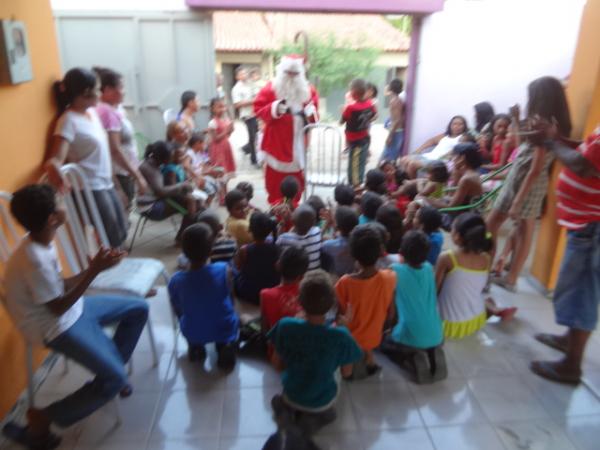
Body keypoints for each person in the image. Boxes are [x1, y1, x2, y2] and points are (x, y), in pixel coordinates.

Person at [2, 184, 148, 448]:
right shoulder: (33, 258)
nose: (64, 203)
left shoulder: (41, 239)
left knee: (138, 308)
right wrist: (94, 271)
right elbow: (56, 308)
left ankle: (111, 368)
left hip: (72, 311)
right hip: (55, 327)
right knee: (114, 379)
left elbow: (60, 287)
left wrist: (95, 268)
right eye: (60, 202)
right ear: (52, 219)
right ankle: (42, 419)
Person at [487, 76, 572, 292]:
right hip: (520, 177)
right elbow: (523, 144)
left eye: (532, 96)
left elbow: (535, 168)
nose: (528, 100)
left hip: (528, 182)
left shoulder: (548, 125)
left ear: (541, 98)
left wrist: (517, 201)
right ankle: (502, 275)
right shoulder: (544, 122)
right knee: (512, 228)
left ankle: (503, 275)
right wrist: (516, 120)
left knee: (512, 228)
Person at [529, 124, 600, 385]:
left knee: (582, 294)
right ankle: (569, 340)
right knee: (575, 289)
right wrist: (561, 139)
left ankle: (571, 366)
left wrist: (551, 143)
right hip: (585, 223)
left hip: (593, 226)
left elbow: (584, 165)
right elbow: (588, 148)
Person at [268, 270, 363, 435]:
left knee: (285, 394)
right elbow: (347, 373)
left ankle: (286, 410)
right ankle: (317, 418)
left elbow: (276, 365)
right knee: (336, 370)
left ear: (299, 301)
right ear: (332, 305)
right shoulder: (340, 336)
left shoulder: (285, 326)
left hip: (291, 394)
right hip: (322, 401)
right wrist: (344, 329)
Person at [45, 67, 128, 248]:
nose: (100, 93)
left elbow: (103, 153)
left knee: (121, 231)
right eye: (98, 89)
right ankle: (108, 270)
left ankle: (112, 265)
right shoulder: (68, 120)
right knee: (112, 236)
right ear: (85, 92)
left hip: (105, 183)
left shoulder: (91, 114)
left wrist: (116, 185)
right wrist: (54, 168)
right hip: (89, 188)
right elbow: (55, 158)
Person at [436, 213, 517, 339]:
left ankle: (493, 308)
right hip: (475, 320)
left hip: (448, 325)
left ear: (457, 236)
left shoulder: (447, 257)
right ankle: (494, 309)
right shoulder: (486, 258)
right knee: (479, 297)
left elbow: (434, 290)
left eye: (452, 228)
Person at [168, 223, 238, 368]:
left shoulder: (175, 280)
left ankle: (196, 347)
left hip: (193, 329)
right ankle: (224, 346)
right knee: (231, 320)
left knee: (189, 323)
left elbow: (177, 309)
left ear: (183, 252)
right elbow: (231, 298)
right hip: (223, 326)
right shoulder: (224, 270)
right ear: (211, 250)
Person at [380, 230, 446, 384]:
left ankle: (411, 358)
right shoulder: (429, 268)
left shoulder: (394, 270)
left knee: (382, 343)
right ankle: (431, 351)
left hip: (409, 334)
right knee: (423, 334)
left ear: (401, 252)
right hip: (438, 334)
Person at [253, 55, 319, 205]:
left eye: (294, 74)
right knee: (275, 182)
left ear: (300, 74)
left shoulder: (308, 91)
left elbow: (315, 119)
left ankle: (294, 211)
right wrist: (274, 107)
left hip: (298, 142)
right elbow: (257, 109)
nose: (291, 77)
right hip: (276, 141)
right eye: (288, 73)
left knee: (296, 182)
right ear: (281, 72)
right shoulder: (271, 88)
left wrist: (311, 113)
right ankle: (276, 210)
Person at [335, 224, 396, 379]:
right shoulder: (390, 277)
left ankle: (347, 373)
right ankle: (370, 363)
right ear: (381, 252)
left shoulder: (344, 282)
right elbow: (391, 311)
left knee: (346, 351)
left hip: (351, 338)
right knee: (367, 343)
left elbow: (341, 314)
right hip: (375, 335)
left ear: (352, 254)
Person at [94, 67, 147, 209]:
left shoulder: (113, 109)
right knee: (123, 211)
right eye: (121, 87)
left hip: (122, 172)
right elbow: (115, 150)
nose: (124, 91)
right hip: (120, 173)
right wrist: (138, 177)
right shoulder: (107, 113)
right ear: (108, 90)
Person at [138, 141, 197, 243]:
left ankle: (188, 234)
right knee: (191, 201)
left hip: (156, 200)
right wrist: (182, 185)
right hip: (151, 208)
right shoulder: (150, 169)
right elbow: (161, 192)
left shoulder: (153, 163)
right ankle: (184, 238)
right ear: (163, 158)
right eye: (171, 155)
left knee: (193, 201)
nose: (173, 157)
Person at [400, 115, 469, 178]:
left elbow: (456, 150)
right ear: (450, 126)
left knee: (412, 165)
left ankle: (412, 188)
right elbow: (431, 141)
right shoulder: (445, 136)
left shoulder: (463, 137)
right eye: (454, 124)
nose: (457, 126)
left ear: (464, 126)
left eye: (460, 124)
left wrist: (443, 157)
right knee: (404, 159)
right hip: (429, 156)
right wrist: (418, 150)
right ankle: (405, 184)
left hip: (440, 161)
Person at [234, 212, 280, 305]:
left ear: (250, 229)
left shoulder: (244, 250)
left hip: (249, 293)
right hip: (271, 291)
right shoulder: (277, 248)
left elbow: (238, 267)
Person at [260, 245, 309, 333]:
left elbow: (265, 329)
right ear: (302, 276)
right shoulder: (308, 293)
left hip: (276, 345)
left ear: (277, 265)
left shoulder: (265, 294)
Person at [340, 79, 378, 186]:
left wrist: (342, 113)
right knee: (360, 164)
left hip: (355, 141)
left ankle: (356, 190)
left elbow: (342, 121)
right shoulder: (370, 104)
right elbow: (374, 116)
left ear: (354, 93)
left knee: (354, 166)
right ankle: (356, 185)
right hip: (365, 138)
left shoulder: (350, 108)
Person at [276, 205, 322, 271]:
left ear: (293, 221)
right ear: (313, 223)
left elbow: (279, 240)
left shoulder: (284, 238)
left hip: (294, 278)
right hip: (312, 277)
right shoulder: (317, 232)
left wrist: (283, 222)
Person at [321, 206, 359, 277]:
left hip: (337, 276)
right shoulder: (359, 241)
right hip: (353, 274)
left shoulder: (329, 245)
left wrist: (326, 224)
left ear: (338, 226)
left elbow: (318, 240)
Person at [232, 67, 259, 165]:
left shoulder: (251, 84)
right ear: (237, 77)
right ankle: (253, 159)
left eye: (245, 73)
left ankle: (246, 149)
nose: (245, 75)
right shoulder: (236, 89)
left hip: (255, 113)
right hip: (247, 115)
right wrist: (252, 101)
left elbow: (257, 95)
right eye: (242, 74)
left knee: (256, 135)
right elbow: (237, 104)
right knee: (252, 136)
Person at [208, 97, 236, 179]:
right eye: (219, 107)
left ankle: (225, 190)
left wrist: (230, 129)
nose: (222, 109)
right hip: (218, 150)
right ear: (212, 109)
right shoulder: (212, 122)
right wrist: (226, 131)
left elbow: (228, 134)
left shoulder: (225, 120)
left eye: (223, 107)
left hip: (226, 148)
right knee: (221, 172)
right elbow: (215, 139)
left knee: (227, 171)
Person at [381, 78, 405, 162]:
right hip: (397, 132)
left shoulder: (395, 101)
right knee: (389, 158)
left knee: (388, 159)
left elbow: (396, 120)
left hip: (396, 132)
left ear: (391, 87)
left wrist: (390, 136)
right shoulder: (397, 100)